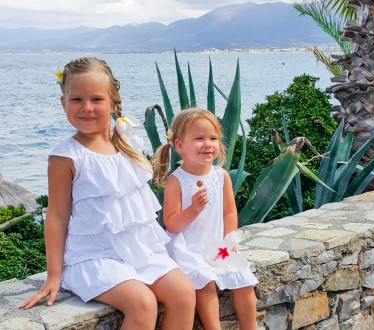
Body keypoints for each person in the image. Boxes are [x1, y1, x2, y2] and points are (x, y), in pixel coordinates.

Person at [20, 57, 196, 330]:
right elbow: (56, 216)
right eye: (76, 99)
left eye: (96, 99)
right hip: (93, 256)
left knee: (184, 293)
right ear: (63, 103)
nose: (86, 108)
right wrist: (54, 275)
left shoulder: (127, 143)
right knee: (142, 303)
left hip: (139, 251)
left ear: (113, 103)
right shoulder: (66, 157)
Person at [153, 108, 258, 330]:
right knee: (204, 283)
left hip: (216, 246)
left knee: (243, 278)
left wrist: (229, 241)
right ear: (180, 146)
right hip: (188, 248)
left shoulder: (221, 176)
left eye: (213, 138)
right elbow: (171, 223)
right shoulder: (177, 181)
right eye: (199, 139)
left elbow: (229, 212)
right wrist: (193, 209)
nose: (208, 144)